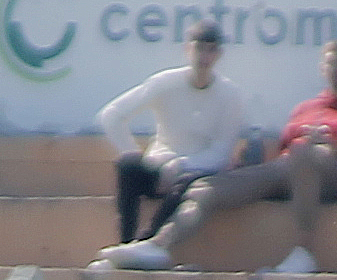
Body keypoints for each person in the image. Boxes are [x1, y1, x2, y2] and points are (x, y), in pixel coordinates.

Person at [95, 38, 337, 274]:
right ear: (321, 68)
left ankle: (303, 253)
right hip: (290, 168)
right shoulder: (305, 109)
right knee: (205, 188)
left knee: (304, 152)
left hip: (334, 172)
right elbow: (284, 150)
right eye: (331, 62)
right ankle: (158, 244)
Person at [96, 22, 246, 244]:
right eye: (199, 48)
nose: (204, 56)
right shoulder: (165, 82)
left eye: (211, 49)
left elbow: (221, 152)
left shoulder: (231, 95)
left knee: (188, 183)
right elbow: (112, 115)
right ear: (187, 49)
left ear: (219, 55)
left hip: (199, 174)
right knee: (127, 166)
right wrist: (137, 155)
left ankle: (148, 242)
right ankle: (126, 242)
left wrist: (182, 165)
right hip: (159, 168)